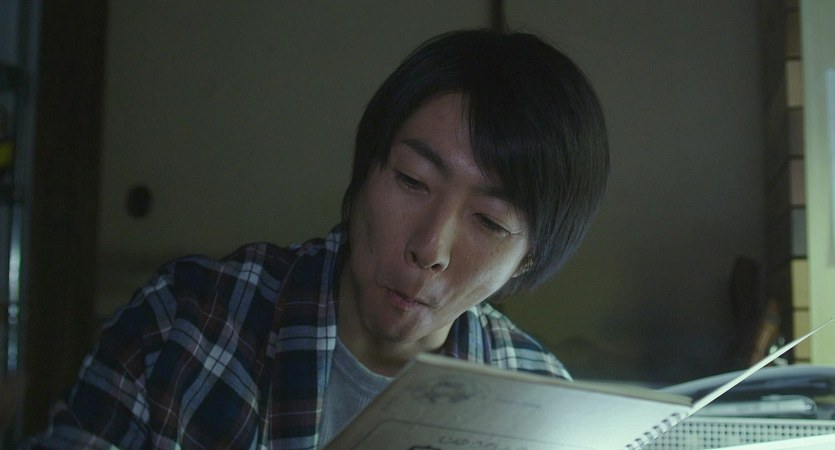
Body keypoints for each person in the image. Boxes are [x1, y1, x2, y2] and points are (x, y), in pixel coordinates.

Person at [22, 28, 608, 449]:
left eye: (490, 222)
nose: (430, 248)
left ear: (527, 260)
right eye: (412, 180)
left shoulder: (547, 406)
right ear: (366, 170)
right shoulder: (188, 323)